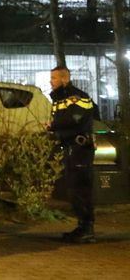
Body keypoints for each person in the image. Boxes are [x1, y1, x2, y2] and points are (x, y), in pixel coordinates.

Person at [49, 66, 98, 244]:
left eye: (54, 78)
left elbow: (72, 120)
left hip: (81, 150)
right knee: (73, 190)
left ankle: (87, 229)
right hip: (70, 148)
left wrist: (53, 127)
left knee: (81, 190)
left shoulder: (78, 97)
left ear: (64, 79)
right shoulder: (60, 99)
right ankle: (82, 227)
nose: (51, 81)